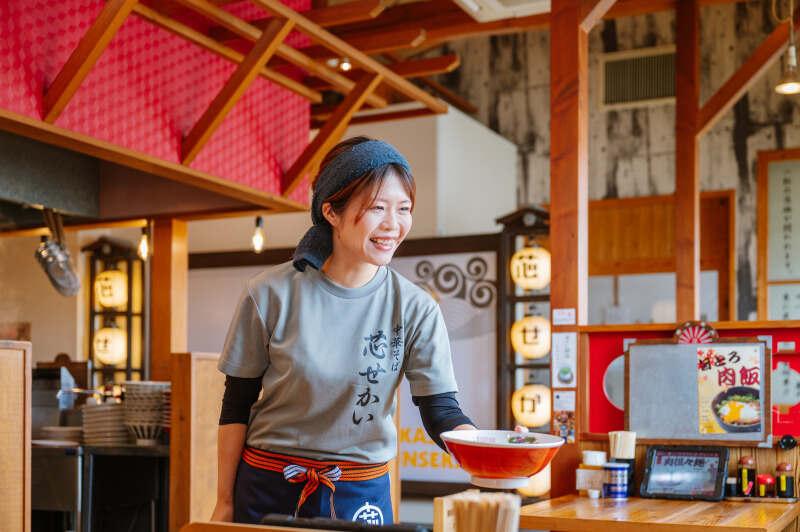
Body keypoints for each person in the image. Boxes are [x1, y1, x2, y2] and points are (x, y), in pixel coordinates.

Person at [210, 136, 476, 525]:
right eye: (377, 208)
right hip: (269, 487)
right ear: (331, 211)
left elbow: (440, 410)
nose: (393, 224)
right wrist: (224, 501)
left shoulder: (416, 307)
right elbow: (236, 404)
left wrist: (489, 447)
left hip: (360, 493)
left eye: (403, 209)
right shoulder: (269, 294)